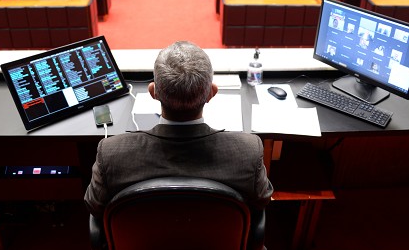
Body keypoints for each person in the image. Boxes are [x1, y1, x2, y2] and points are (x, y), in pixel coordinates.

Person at [84, 41, 273, 218]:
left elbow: (94, 206)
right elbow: (261, 200)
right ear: (211, 93)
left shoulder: (111, 154)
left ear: (153, 92)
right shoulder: (248, 151)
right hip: (218, 242)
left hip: (141, 242)